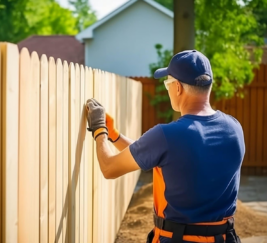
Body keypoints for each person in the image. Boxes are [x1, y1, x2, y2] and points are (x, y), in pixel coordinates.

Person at [85, 50, 244, 243]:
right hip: (224, 238)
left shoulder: (166, 136)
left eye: (167, 83)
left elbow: (109, 168)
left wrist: (99, 129)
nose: (167, 89)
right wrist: (114, 135)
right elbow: (164, 159)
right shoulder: (234, 128)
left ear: (177, 87)